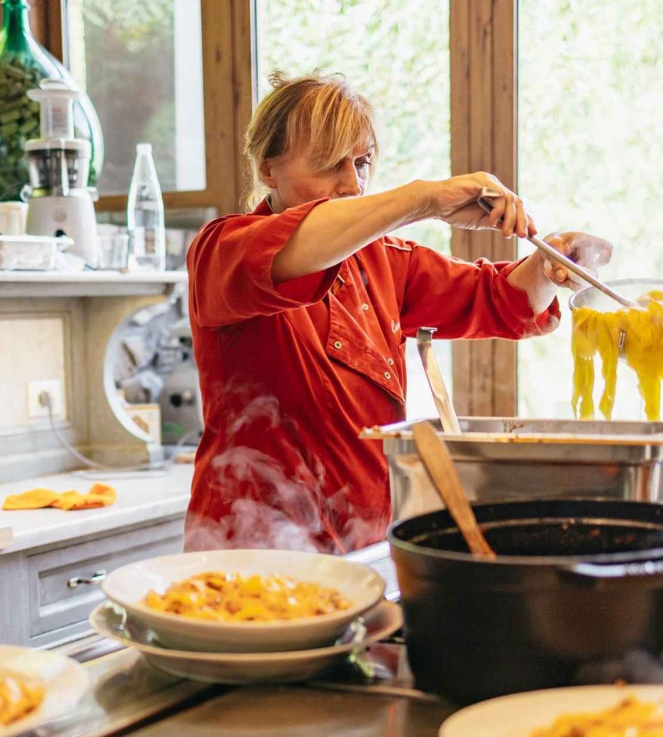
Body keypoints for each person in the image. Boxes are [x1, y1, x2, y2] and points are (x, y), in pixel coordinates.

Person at [185, 73, 611, 554]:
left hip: (363, 548)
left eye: (362, 162)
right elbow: (303, 243)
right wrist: (425, 199)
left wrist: (549, 260)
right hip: (253, 551)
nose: (352, 183)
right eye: (329, 164)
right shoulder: (222, 251)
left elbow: (497, 299)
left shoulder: (382, 260)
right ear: (268, 169)